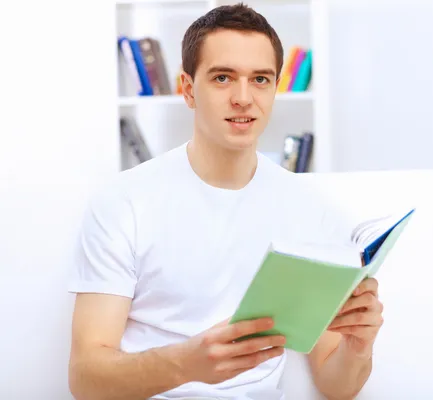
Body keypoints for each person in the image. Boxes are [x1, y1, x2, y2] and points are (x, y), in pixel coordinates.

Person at [67, 3, 384, 400]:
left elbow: (337, 387)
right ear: (187, 89)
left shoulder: (309, 208)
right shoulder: (123, 202)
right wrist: (186, 364)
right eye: (222, 78)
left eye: (261, 79)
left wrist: (358, 347)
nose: (243, 98)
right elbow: (85, 379)